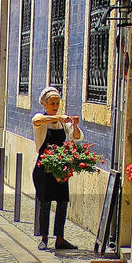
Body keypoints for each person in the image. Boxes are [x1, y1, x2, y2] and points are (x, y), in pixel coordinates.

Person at [32, 86, 83, 251]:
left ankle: (60, 238)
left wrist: (74, 126)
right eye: (52, 103)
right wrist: (56, 117)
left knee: (62, 201)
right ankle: (44, 238)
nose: (55, 106)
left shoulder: (62, 122)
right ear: (45, 104)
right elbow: (36, 121)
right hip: (44, 166)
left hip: (60, 167)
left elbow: (76, 136)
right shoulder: (41, 119)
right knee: (45, 202)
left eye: (57, 103)